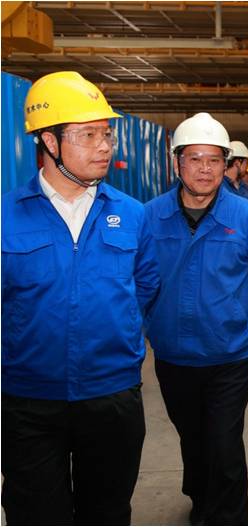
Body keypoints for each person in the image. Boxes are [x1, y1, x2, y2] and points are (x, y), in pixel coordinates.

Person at [1, 71, 160, 525]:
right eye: (88, 135)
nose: (104, 146)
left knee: (107, 512)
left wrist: (116, 333)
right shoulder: (6, 215)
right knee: (35, 514)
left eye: (106, 134)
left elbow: (146, 285)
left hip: (112, 394)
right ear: (49, 141)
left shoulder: (131, 214)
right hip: (28, 400)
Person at [144, 112, 248, 525]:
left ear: (226, 165)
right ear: (176, 163)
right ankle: (200, 501)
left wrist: (234, 315)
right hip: (174, 356)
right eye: (195, 159)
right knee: (193, 438)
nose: (205, 169)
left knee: (224, 444)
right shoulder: (149, 217)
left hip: (229, 356)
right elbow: (139, 281)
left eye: (215, 160)